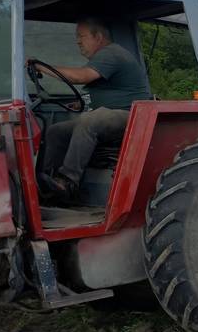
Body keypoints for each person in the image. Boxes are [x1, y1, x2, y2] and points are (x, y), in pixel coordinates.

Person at [33, 18, 150, 203]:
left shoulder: (110, 53)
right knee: (56, 131)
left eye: (82, 36)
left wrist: (42, 66)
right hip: (109, 115)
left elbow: (81, 77)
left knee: (88, 120)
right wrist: (80, 103)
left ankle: (67, 181)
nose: (78, 41)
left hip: (132, 116)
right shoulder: (103, 58)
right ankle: (46, 182)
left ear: (98, 37)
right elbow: (105, 91)